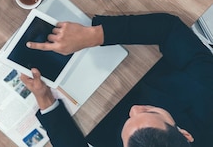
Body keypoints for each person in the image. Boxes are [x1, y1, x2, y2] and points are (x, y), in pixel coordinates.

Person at [17, 13, 213, 146]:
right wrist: (93, 35)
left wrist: (46, 102)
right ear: (185, 135)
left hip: (91, 112)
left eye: (130, 121)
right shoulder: (207, 91)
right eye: (149, 111)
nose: (134, 109)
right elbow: (169, 30)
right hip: (138, 60)